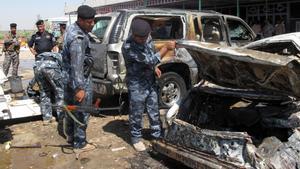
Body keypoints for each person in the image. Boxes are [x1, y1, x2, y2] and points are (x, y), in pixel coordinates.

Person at [122, 18, 175, 151]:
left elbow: (150, 54)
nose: (143, 40)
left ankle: (156, 135)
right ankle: (136, 138)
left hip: (150, 80)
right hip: (137, 84)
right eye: (140, 38)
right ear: (133, 35)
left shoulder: (147, 37)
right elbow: (150, 60)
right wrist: (165, 48)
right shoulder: (128, 47)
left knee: (153, 109)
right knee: (137, 112)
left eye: (145, 37)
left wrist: (154, 68)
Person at [62, 5, 96, 152]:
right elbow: (77, 66)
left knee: (70, 109)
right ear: (80, 20)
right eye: (89, 22)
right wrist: (80, 88)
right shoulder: (78, 39)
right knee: (82, 111)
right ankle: (80, 143)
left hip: (68, 79)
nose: (92, 24)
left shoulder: (72, 29)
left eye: (93, 21)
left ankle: (70, 136)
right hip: (79, 80)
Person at [27, 20, 57, 103]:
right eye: (38, 27)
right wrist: (34, 52)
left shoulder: (50, 35)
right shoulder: (35, 36)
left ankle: (51, 92)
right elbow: (29, 45)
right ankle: (38, 91)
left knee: (50, 75)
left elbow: (54, 45)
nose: (40, 28)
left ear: (44, 26)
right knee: (39, 75)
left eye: (41, 26)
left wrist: (54, 55)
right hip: (39, 58)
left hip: (49, 58)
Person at [33, 52, 64, 125]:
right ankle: (62, 118)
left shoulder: (50, 54)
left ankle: (47, 118)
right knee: (60, 92)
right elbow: (64, 69)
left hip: (37, 66)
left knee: (44, 92)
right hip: (50, 66)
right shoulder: (60, 55)